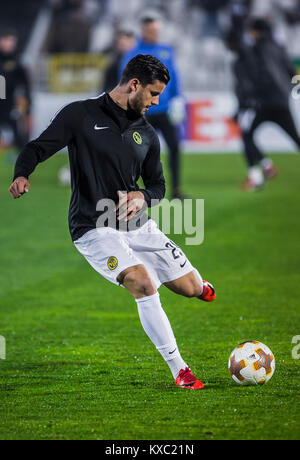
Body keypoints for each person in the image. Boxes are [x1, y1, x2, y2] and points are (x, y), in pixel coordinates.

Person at [9, 54, 216, 390]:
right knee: (143, 283)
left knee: (191, 289)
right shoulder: (80, 114)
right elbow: (37, 147)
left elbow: (158, 186)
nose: (156, 102)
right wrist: (22, 174)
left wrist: (142, 197)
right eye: (152, 93)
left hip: (137, 225)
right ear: (134, 85)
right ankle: (180, 369)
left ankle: (199, 284)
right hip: (92, 227)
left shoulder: (147, 133)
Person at [121, 16, 186, 200]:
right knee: (138, 153)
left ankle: (176, 190)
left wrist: (178, 99)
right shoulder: (133, 54)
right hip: (144, 112)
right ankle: (135, 192)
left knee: (174, 147)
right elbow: (126, 83)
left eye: (156, 31)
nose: (155, 34)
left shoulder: (167, 51)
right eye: (151, 31)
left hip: (165, 110)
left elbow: (174, 77)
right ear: (143, 31)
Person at [233, 19, 300, 190]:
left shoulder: (254, 50)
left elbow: (257, 77)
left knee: (246, 135)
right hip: (282, 102)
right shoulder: (280, 48)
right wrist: (289, 90)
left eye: (251, 31)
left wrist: (251, 100)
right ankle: (264, 169)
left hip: (263, 104)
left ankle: (257, 177)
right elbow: (293, 74)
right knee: (296, 139)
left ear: (256, 32)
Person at [0, 28, 31, 152]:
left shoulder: (17, 62)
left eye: (12, 41)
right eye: (7, 40)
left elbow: (24, 86)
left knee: (16, 128)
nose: (10, 43)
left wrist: (24, 103)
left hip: (10, 102)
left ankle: (22, 155)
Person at [102, 29, 136, 93]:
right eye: (120, 40)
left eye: (126, 40)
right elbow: (107, 85)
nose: (122, 42)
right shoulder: (114, 61)